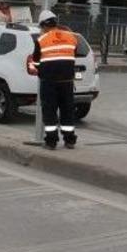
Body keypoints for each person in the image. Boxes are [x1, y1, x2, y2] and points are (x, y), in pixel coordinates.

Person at [29, 10, 78, 150]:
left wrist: (40, 71)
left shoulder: (41, 40)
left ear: (44, 25)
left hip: (49, 81)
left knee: (49, 111)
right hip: (67, 81)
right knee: (67, 110)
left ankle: (51, 142)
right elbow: (72, 54)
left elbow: (36, 61)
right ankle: (70, 140)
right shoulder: (71, 37)